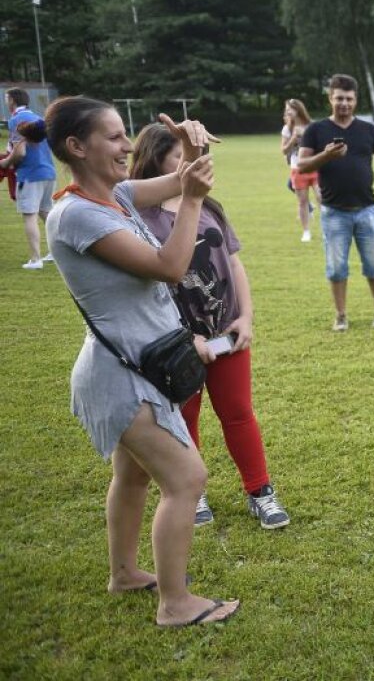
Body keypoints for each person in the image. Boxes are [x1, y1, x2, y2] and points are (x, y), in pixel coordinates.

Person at [42, 96, 238, 627]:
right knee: (186, 480)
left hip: (133, 368)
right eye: (112, 137)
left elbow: (185, 180)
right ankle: (176, 604)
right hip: (123, 378)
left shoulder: (119, 196)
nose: (128, 145)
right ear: (76, 147)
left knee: (132, 478)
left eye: (125, 134)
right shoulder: (75, 216)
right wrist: (194, 200)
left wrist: (194, 148)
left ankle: (125, 572)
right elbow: (169, 267)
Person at [131, 123, 291, 529]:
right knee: (185, 418)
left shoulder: (211, 207)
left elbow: (234, 262)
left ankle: (261, 492)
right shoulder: (139, 218)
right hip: (177, 340)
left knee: (238, 413)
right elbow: (148, 287)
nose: (198, 164)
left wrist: (246, 316)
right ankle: (192, 492)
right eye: (184, 156)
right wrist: (188, 337)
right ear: (158, 162)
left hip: (226, 333)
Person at [297, 74, 374, 331]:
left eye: (349, 99)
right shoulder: (316, 130)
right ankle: (341, 315)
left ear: (356, 100)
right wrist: (326, 155)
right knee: (336, 268)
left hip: (367, 210)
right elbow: (301, 165)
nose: (344, 104)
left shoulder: (368, 129)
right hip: (333, 213)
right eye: (339, 98)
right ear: (330, 98)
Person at [3, 88, 57, 269]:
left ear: (12, 100)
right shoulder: (39, 118)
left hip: (30, 173)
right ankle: (56, 253)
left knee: (30, 215)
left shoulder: (16, 120)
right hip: (48, 171)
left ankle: (35, 259)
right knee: (47, 214)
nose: (5, 102)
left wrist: (6, 163)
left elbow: (20, 151)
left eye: (6, 98)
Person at [281, 98, 317, 242]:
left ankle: (328, 230)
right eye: (287, 109)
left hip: (315, 165)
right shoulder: (287, 129)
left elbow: (320, 145)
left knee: (321, 197)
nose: (288, 111)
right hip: (298, 168)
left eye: (291, 108)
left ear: (298, 109)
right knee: (302, 201)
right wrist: (293, 138)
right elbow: (284, 151)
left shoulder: (312, 126)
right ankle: (306, 232)